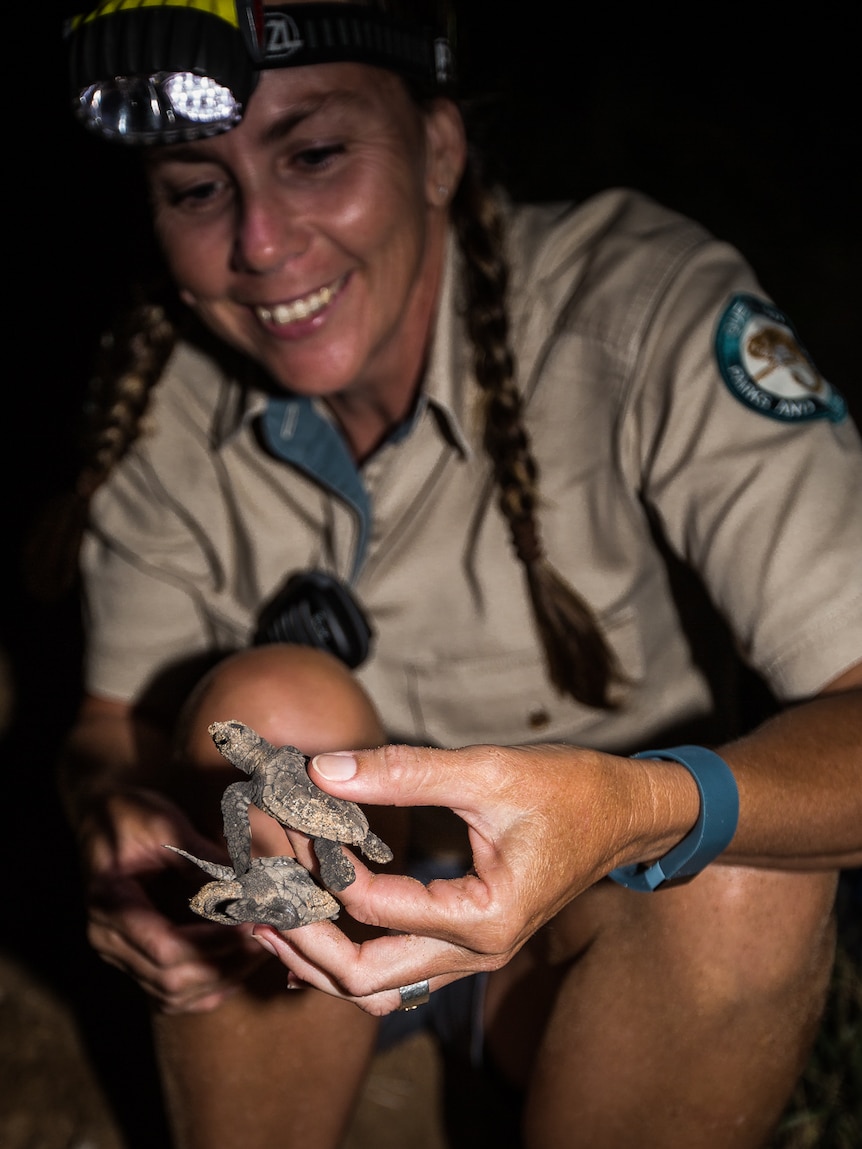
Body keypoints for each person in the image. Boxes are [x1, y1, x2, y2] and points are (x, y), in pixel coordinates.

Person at [53, 1, 862, 1147]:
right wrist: (113, 819)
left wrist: (638, 810)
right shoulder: (161, 399)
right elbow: (103, 724)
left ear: (439, 150)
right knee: (268, 713)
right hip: (287, 953)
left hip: (585, 937)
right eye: (197, 187)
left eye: (315, 154)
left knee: (741, 859)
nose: (262, 242)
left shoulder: (638, 301)